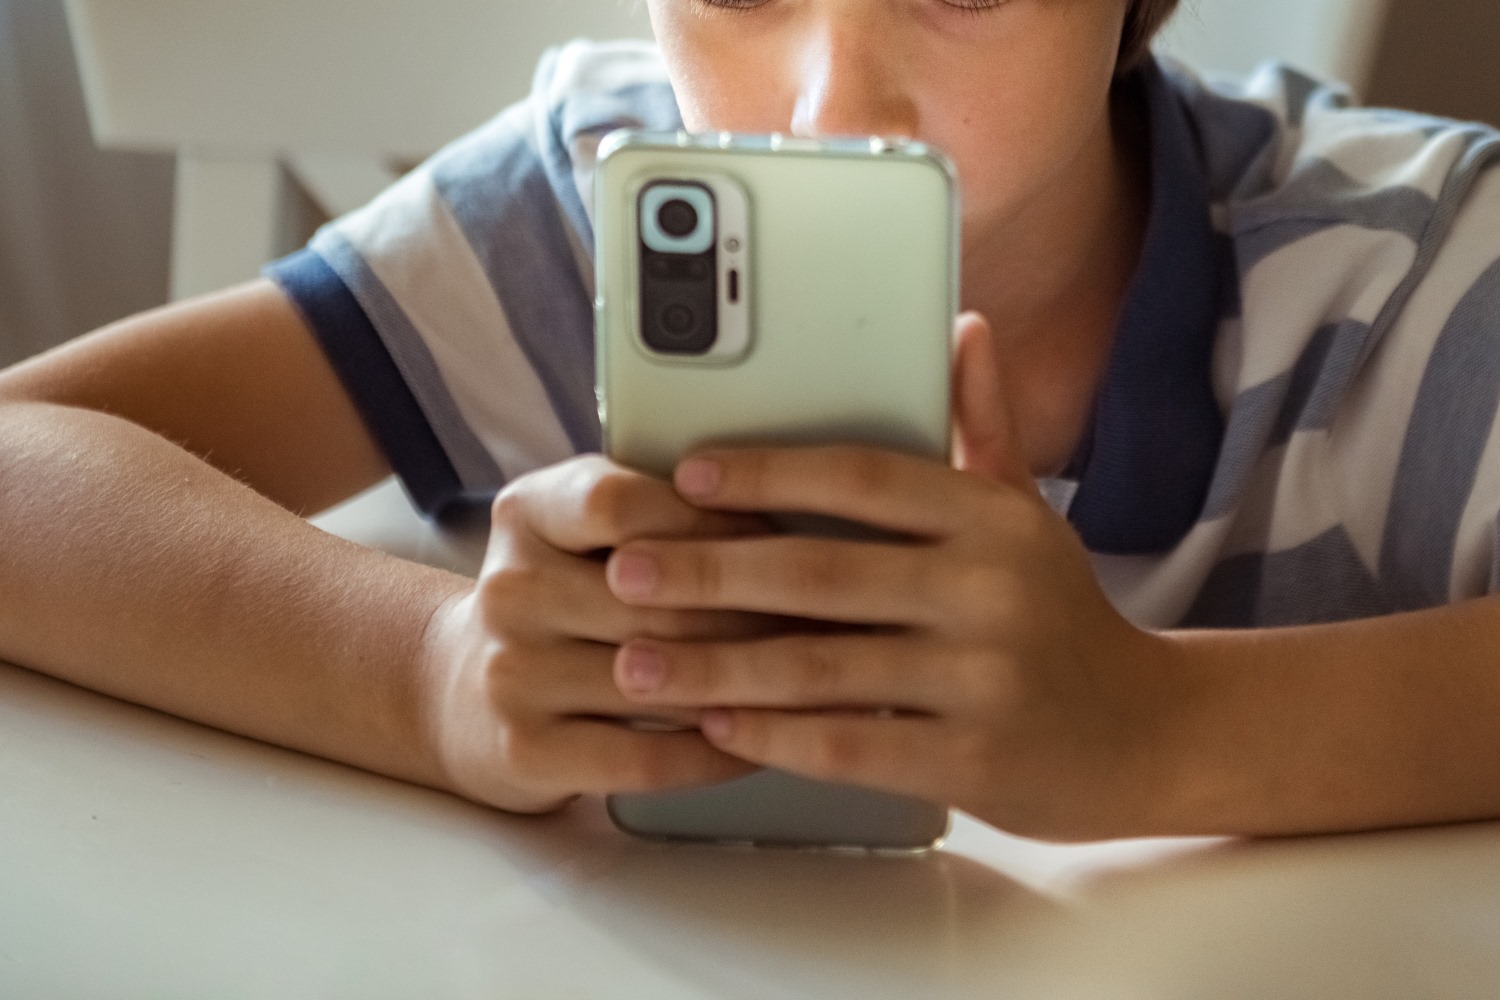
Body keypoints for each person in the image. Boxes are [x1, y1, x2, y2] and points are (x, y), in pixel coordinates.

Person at [2, 0, 1498, 841]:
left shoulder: (1410, 275)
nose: (830, 110)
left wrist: (1162, 732)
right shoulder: (590, 219)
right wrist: (422, 668)